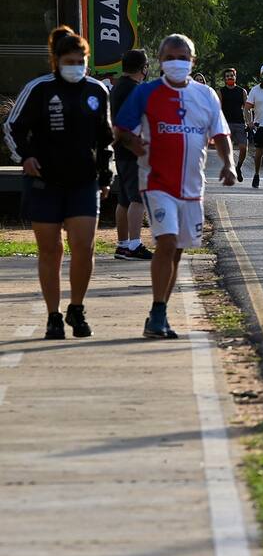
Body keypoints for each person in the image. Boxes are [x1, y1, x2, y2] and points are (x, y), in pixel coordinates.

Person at [114, 33, 237, 339]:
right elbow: (121, 128)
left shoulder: (206, 95)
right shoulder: (146, 93)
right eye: (169, 58)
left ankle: (160, 312)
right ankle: (157, 312)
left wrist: (229, 164)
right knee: (166, 243)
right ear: (159, 61)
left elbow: (220, 134)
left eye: (182, 58)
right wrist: (133, 144)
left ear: (193, 61)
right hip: (156, 182)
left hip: (192, 187)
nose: (176, 63)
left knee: (177, 251)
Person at [4, 26, 114, 339]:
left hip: (83, 182)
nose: (75, 67)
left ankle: (76, 308)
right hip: (45, 182)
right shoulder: (39, 89)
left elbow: (105, 138)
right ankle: (53, 315)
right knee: (50, 250)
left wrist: (105, 175)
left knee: (84, 247)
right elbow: (12, 127)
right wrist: (25, 157)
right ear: (56, 61)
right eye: (69, 62)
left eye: (80, 61)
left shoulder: (97, 91)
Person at [109, 47, 153, 261]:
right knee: (138, 197)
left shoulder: (118, 87)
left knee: (125, 199)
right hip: (133, 148)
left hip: (121, 150)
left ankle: (123, 244)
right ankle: (134, 244)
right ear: (143, 68)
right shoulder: (135, 90)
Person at [219, 67, 250, 181]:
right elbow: (218, 109)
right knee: (227, 149)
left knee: (243, 148)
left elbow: (247, 109)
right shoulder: (221, 91)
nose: (230, 78)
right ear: (225, 79)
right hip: (226, 124)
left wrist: (249, 122)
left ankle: (238, 167)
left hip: (240, 123)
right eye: (227, 76)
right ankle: (229, 166)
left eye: (231, 75)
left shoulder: (242, 91)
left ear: (235, 77)